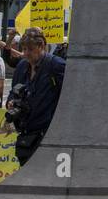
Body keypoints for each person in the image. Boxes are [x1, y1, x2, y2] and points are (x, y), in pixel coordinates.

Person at [4, 27, 65, 165]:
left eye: (30, 49)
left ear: (41, 46)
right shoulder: (22, 66)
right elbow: (13, 92)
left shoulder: (55, 65)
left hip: (47, 134)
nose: (26, 54)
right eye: (24, 49)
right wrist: (11, 103)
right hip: (26, 134)